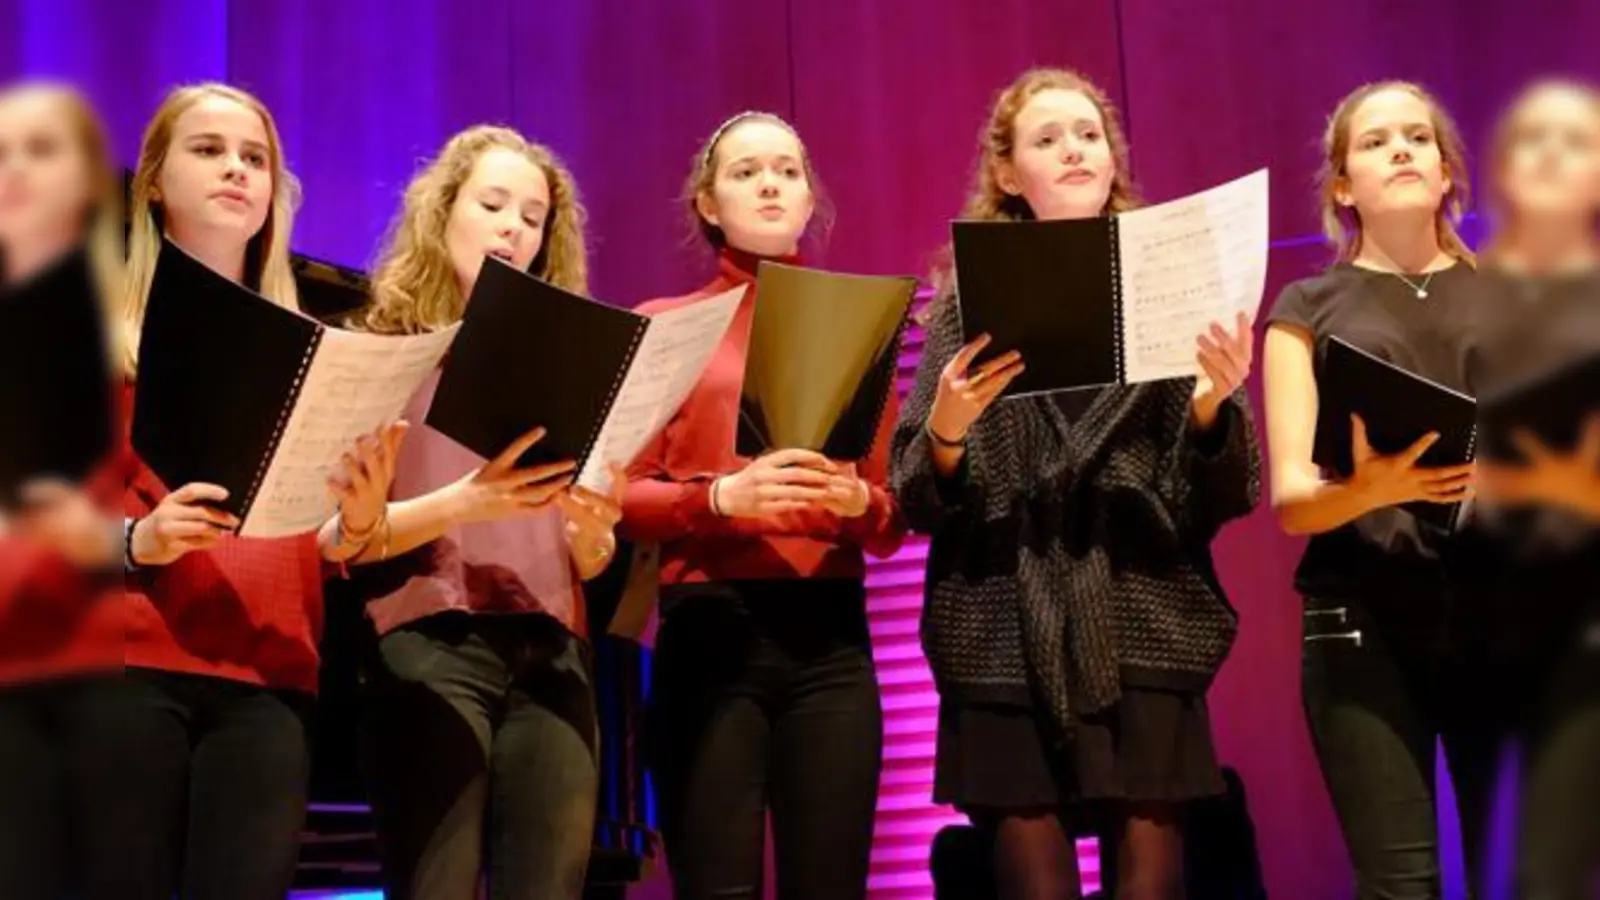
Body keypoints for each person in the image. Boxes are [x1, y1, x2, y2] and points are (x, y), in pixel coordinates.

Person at [892, 67, 1260, 900]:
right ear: (1008, 172)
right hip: (1000, 625)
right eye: (1047, 138)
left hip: (1142, 615)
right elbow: (915, 494)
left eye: (1088, 134)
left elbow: (1223, 497)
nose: (1073, 150)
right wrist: (949, 424)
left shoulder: (1172, 283)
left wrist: (1210, 409)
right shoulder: (965, 301)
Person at [109, 82, 398, 900]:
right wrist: (137, 540)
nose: (236, 169)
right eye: (208, 151)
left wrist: (360, 521)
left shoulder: (317, 346)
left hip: (271, 673)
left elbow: (317, 537)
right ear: (155, 184)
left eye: (255, 158)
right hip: (126, 664)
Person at [621, 110, 906, 900]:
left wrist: (856, 500)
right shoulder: (667, 324)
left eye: (787, 169)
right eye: (746, 172)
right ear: (708, 203)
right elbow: (619, 494)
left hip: (832, 643)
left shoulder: (854, 322)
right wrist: (719, 497)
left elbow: (893, 518)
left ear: (810, 197)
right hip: (711, 633)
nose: (772, 183)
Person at [336, 124, 619, 900]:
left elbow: (587, 553)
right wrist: (463, 502)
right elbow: (345, 541)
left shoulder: (568, 367)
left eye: (533, 217)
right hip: (431, 645)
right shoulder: (385, 351)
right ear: (443, 214)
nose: (513, 228)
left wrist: (595, 535)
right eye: (493, 204)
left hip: (554, 653)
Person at [1260, 81, 1481, 899]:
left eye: (1419, 138)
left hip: (1505, 613)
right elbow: (1291, 499)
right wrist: (1376, 485)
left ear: (1447, 171)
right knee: (1400, 885)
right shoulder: (1305, 310)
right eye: (1377, 140)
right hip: (1363, 622)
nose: (1401, 151)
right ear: (1343, 185)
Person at [1452, 79, 1600, 900]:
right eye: (1531, 137)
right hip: (1474, 618)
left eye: (1574, 139)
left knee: (1551, 871)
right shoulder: (1464, 298)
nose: (1549, 153)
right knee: (1490, 870)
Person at [0, 80, 127, 900]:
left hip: (94, 672)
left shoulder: (127, 335)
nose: (12, 169)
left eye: (39, 150)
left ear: (87, 179)